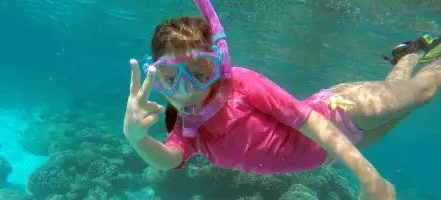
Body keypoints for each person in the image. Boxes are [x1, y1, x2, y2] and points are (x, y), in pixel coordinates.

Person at [122, 0, 441, 199]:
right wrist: (137, 139)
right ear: (157, 77)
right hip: (330, 153)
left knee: (422, 94)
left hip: (342, 114)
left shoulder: (242, 84)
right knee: (407, 107)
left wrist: (368, 177)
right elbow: (169, 158)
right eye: (169, 76)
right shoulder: (188, 127)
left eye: (198, 71)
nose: (185, 87)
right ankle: (408, 55)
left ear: (218, 64)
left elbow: (310, 120)